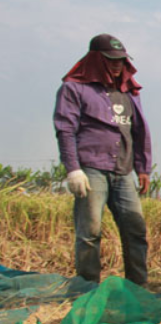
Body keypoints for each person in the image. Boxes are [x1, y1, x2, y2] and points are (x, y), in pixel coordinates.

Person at [54, 34, 151, 286]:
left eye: (121, 61)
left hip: (123, 170)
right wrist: (73, 169)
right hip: (91, 169)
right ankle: (87, 288)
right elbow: (65, 129)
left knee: (135, 229)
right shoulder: (74, 89)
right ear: (96, 60)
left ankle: (137, 286)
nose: (118, 65)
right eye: (111, 60)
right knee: (90, 231)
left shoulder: (128, 92)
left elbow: (139, 131)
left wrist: (143, 168)